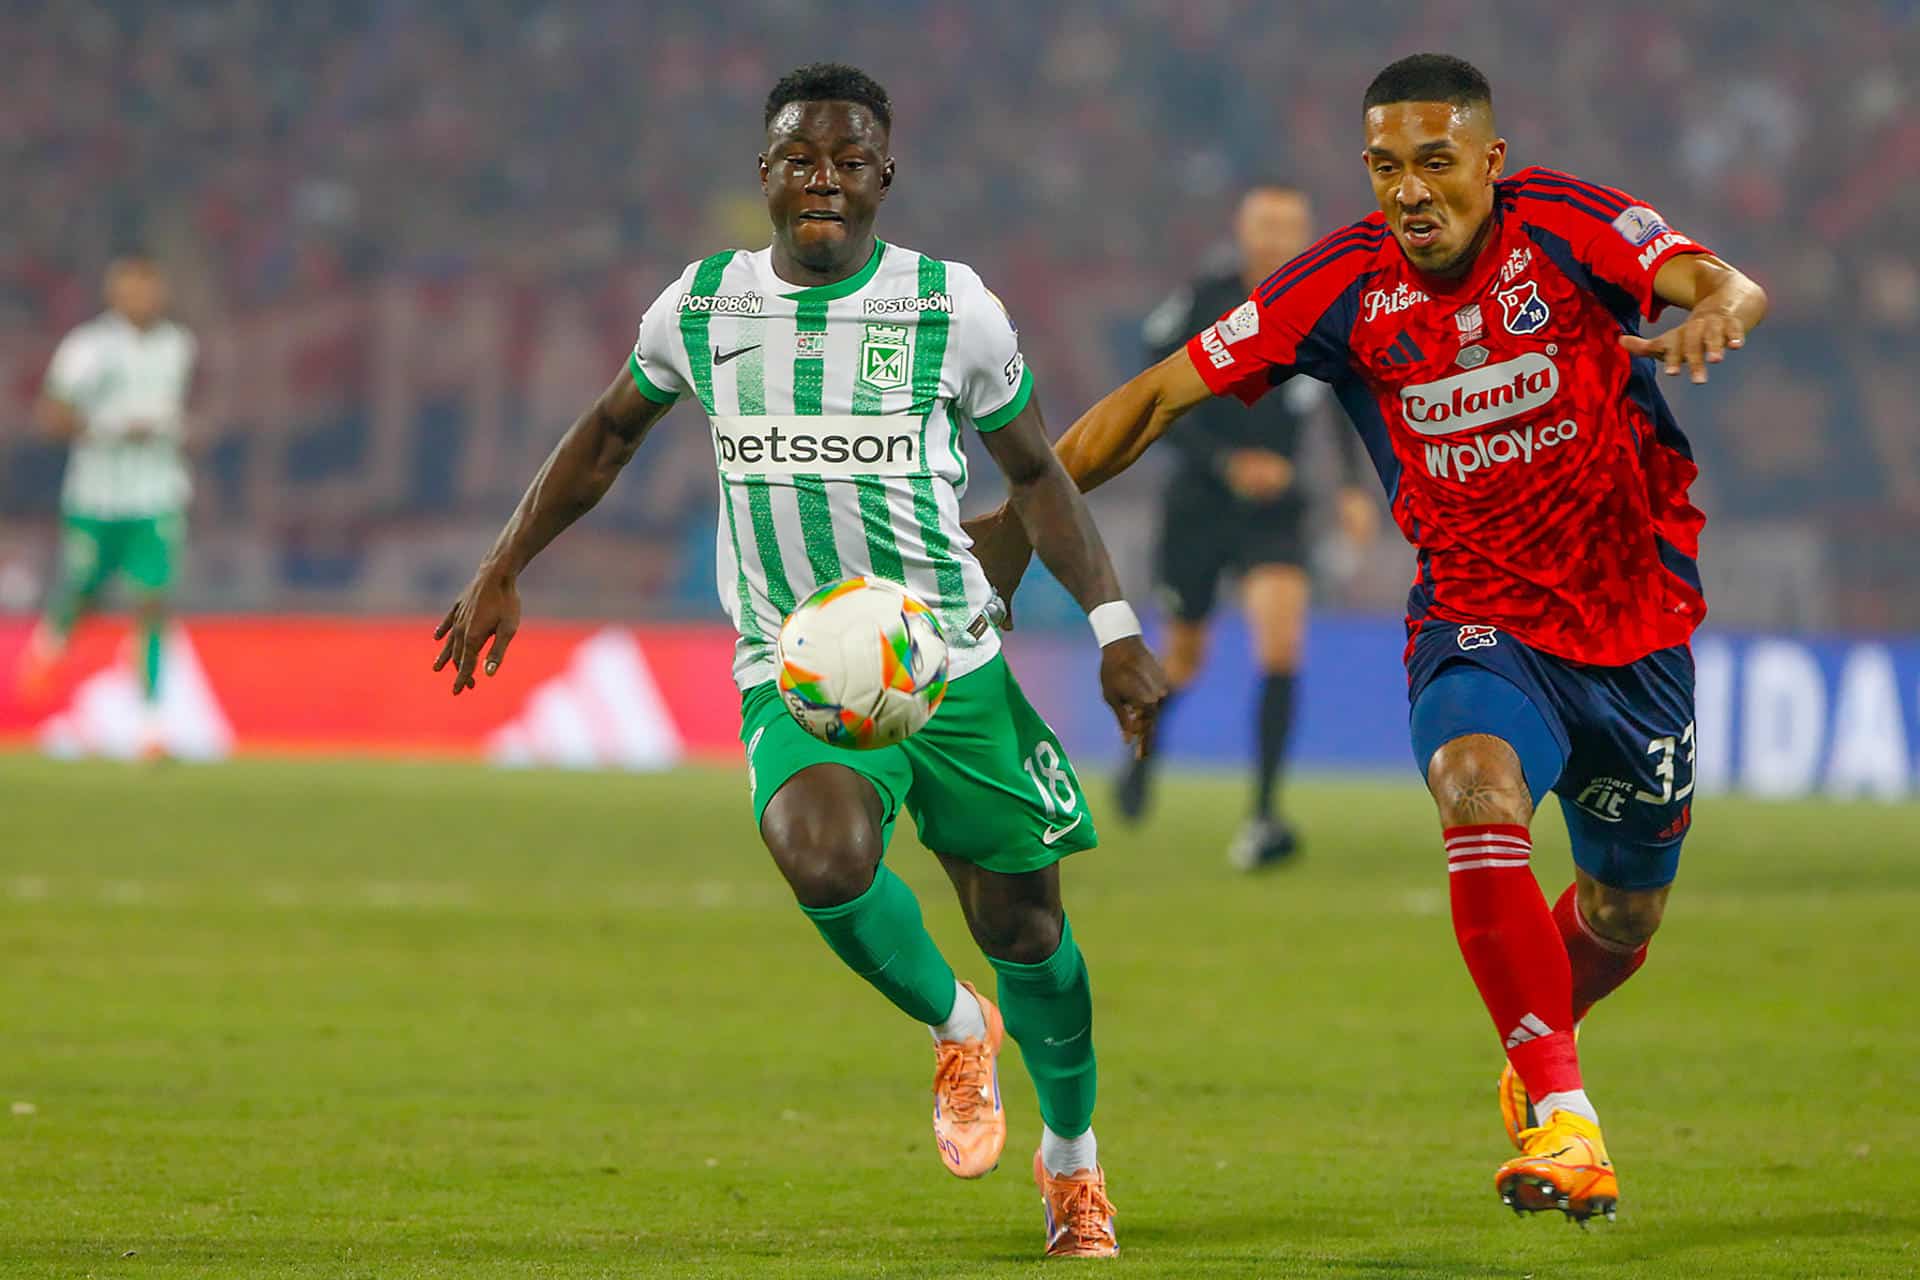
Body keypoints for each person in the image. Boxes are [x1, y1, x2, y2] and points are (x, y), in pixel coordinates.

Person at [969, 53, 1767, 1223]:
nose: (1411, 191)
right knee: (1476, 784)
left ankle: (1538, 1049)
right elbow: (1155, 397)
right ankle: (1567, 1115)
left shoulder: (1565, 223)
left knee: (1622, 911)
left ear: (1489, 164)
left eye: (1437, 163)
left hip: (1635, 623)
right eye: (1388, 167)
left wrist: (1716, 314)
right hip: (1477, 617)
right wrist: (1012, 525)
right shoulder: (1340, 284)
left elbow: (1723, 281)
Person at [431, 64, 1166, 1258]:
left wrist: (1114, 627)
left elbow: (1037, 473)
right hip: (799, 667)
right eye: (799, 158)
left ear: (885, 174)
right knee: (819, 853)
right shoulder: (705, 305)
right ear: (765, 177)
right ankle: (954, 1025)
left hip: (954, 667)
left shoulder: (949, 306)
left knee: (1029, 931)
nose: (824, 175)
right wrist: (505, 559)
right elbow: (609, 433)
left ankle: (1073, 1161)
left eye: (848, 157)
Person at [1125, 183, 1378, 868]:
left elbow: (1347, 396)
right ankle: (1145, 754)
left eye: (1289, 225)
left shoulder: (1324, 306)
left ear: (1305, 233)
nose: (1275, 237)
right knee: (1184, 658)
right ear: (1243, 229)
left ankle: (1265, 813)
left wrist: (1355, 488)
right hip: (1200, 505)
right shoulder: (1203, 300)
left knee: (1281, 642)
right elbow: (1152, 395)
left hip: (1278, 509)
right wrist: (1227, 461)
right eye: (1264, 224)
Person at [17, 255, 197, 759]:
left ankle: (152, 726)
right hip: (96, 497)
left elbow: (182, 411)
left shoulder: (178, 345)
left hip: (157, 496)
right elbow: (51, 416)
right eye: (132, 287)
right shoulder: (87, 348)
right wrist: (110, 430)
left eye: (150, 286)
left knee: (153, 600)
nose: (143, 296)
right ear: (115, 292)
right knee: (82, 591)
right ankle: (52, 641)